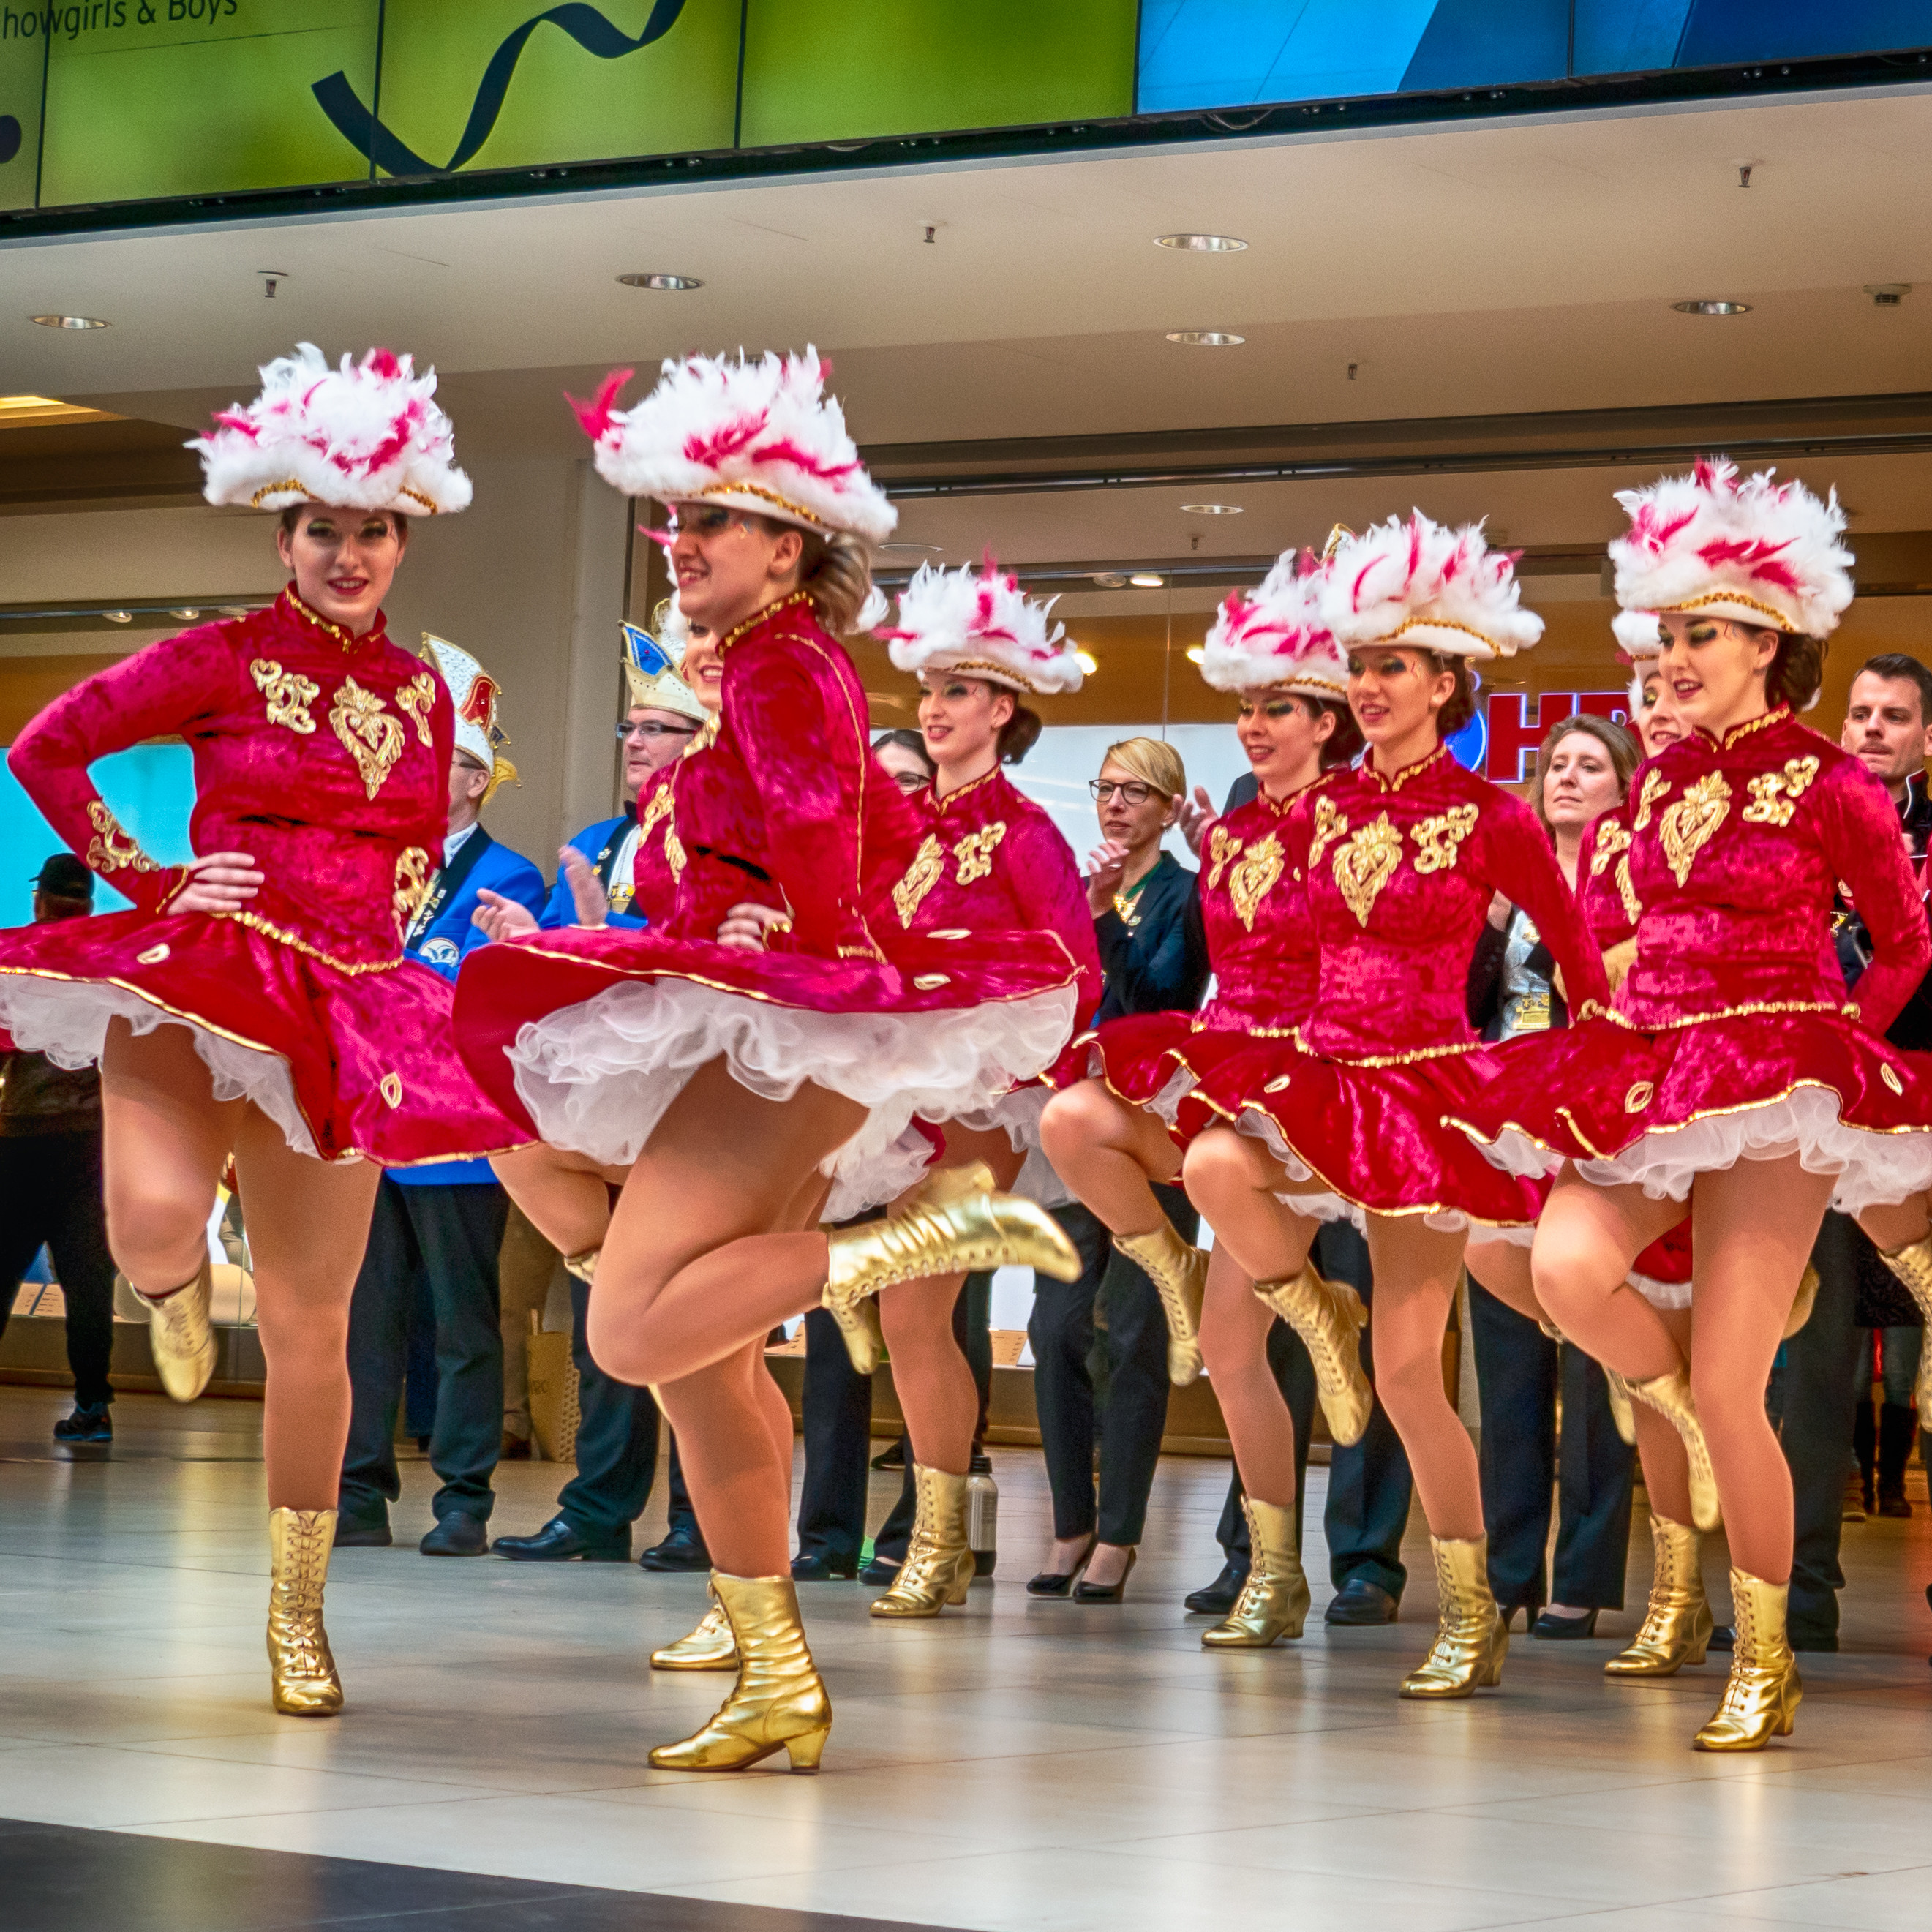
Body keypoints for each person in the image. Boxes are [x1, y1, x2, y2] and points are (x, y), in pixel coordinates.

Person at [454, 348, 1083, 1774]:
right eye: (671, 522)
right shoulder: (758, 665)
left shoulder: (791, 662)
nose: (676, 544)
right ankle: (779, 1678)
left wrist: (801, 931)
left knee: (627, 1329)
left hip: (783, 1031)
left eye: (707, 523)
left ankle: (913, 1243)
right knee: (700, 1366)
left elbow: (813, 839)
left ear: (784, 544)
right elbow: (884, 837)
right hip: (755, 1012)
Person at [0, 344, 525, 1716]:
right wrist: (152, 875)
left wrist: (389, 952)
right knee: (150, 1230)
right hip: (203, 966)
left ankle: (298, 1613)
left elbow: (418, 843)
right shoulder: (217, 657)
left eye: (372, 532)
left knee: (312, 1322)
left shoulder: (423, 694)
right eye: (322, 530)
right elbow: (45, 747)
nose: (347, 554)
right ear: (283, 534)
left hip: (342, 1006)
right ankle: (175, 1284)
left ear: (403, 540)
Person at [1461, 459, 1931, 1750]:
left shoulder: (1837, 784)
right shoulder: (1659, 781)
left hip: (1775, 1082)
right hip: (1647, 1061)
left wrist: (1838, 1057)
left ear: (1766, 642)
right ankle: (1656, 1389)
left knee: (1739, 1390)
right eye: (1666, 632)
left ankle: (1763, 1652)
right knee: (1559, 1263)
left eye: (1698, 633)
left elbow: (1901, 941)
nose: (1670, 654)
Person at [1179, 514, 1605, 1697]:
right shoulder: (1312, 812)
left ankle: (1469, 1607)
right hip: (1311, 1076)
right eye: (1357, 667)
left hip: (1423, 1096)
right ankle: (1312, 1311)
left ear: (1447, 683)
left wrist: (1602, 1079)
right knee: (1214, 1166)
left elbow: (1575, 956)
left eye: (1390, 669)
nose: (1366, 687)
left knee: (1414, 1374)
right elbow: (1268, 948)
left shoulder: (1493, 818)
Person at [1043, 547, 1396, 1649]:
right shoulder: (1232, 832)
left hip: (1340, 1081)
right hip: (1240, 1072)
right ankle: (1274, 1570)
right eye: (1245, 707)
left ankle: (1419, 1575)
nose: (1254, 725)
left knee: (1397, 1370)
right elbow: (1228, 972)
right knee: (1074, 1121)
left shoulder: (1358, 821)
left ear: (1329, 720)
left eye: (1277, 707)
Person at [841, 555, 1100, 1615]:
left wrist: (990, 1046)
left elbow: (1077, 972)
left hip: (984, 1103)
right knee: (898, 1312)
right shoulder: (897, 830)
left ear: (1002, 704)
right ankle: (938, 1536)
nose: (935, 709)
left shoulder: (1029, 833)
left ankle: (940, 1541)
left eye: (957, 690)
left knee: (913, 1309)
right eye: (928, 689)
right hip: (891, 1097)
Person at [481, 614, 714, 1567]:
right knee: (608, 1315)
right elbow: (555, 970)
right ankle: (598, 1508)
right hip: (607, 1101)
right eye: (630, 727)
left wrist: (605, 931)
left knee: (701, 1309)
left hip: (701, 1103)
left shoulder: (723, 841)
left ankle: (706, 1517)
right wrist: (526, 933)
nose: (637, 743)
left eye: (659, 727)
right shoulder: (595, 838)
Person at [337, 638, 546, 1555]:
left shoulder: (510, 876)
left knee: (464, 1321)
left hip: (457, 1130)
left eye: (443, 764)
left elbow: (461, 985)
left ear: (473, 781)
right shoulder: (375, 860)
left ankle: (464, 1496)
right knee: (364, 1314)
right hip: (369, 1122)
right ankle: (357, 1489)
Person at [1463, 715, 1640, 1636]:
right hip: (1504, 1121)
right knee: (1507, 1365)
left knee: (1599, 1356)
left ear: (1623, 787)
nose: (1568, 778)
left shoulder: (1630, 880)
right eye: (1556, 765)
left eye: (1590, 766)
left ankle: (1584, 1574)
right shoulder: (1507, 885)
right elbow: (1463, 1006)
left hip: (1599, 1125)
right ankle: (1507, 1570)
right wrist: (1489, 924)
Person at [1028, 736, 1208, 1600]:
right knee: (1055, 1327)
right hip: (1069, 1128)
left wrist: (1104, 921)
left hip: (1152, 1129)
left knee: (1131, 1330)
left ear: (1170, 808)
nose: (1115, 804)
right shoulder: (1073, 885)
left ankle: (1121, 1535)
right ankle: (1070, 1521)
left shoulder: (1185, 893)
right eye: (1106, 787)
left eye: (1137, 791)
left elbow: (1160, 1002)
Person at [792, 728, 939, 1584]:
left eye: (913, 781)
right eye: (881, 782)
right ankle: (824, 1528)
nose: (896, 796)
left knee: (932, 1326)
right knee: (831, 1324)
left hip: (939, 1122)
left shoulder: (953, 871)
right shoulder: (830, 877)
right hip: (845, 1120)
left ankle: (922, 1524)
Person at [0, 855, 117, 1443]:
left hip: (21, 1142)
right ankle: (93, 1405)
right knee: (90, 1283)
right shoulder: (109, 967)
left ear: (40, 900)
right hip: (93, 1147)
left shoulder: (17, 960)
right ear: (89, 905)